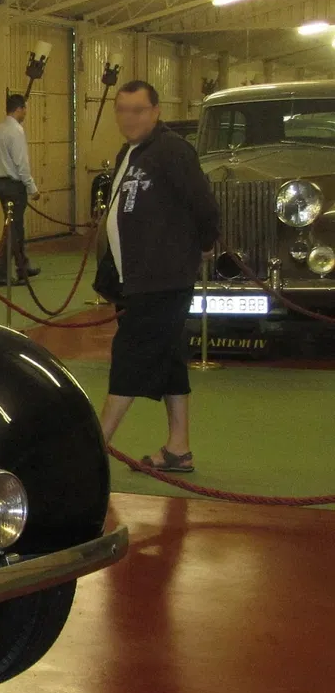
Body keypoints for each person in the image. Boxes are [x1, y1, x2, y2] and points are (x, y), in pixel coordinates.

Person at [98, 80, 220, 473]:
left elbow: (204, 207)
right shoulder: (130, 152)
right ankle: (178, 449)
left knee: (129, 357)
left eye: (137, 110)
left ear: (156, 112)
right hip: (134, 279)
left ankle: (94, 448)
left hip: (163, 278)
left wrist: (202, 246)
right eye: (122, 110)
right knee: (168, 360)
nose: (129, 118)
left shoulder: (172, 151)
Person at [0, 93, 41, 284]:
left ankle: (23, 267)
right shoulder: (16, 131)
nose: (26, 112)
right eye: (25, 108)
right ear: (19, 109)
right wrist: (32, 188)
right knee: (13, 230)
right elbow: (21, 163)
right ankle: (3, 274)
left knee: (16, 227)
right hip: (13, 185)